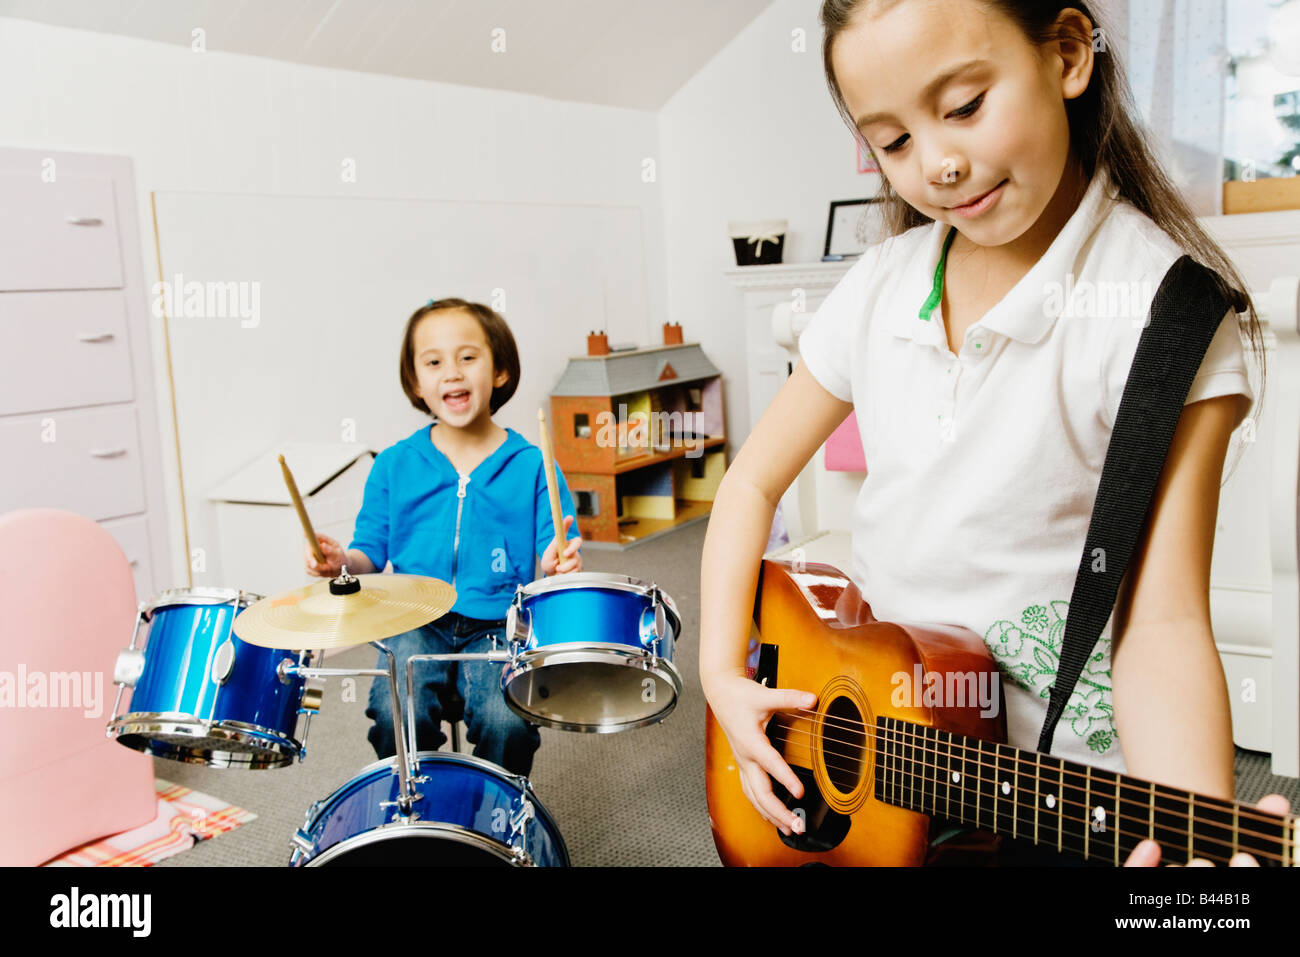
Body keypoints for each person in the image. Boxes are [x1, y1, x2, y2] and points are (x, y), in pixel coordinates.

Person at [700, 0, 1290, 866]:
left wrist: (1194, 840)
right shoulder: (879, 285)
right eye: (893, 142)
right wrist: (722, 675)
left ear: (1068, 52)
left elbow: (1161, 623)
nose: (936, 165)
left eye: (966, 106)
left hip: (1054, 799)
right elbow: (750, 483)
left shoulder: (1169, 322)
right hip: (877, 757)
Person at [305, 297, 582, 777]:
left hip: (499, 621)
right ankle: (420, 812)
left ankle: (497, 815)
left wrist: (557, 562)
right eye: (433, 362)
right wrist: (341, 563)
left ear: (499, 371)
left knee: (507, 722)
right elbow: (369, 552)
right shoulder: (394, 464)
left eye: (468, 357)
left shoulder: (534, 465)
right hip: (414, 617)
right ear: (416, 381)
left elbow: (554, 547)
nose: (451, 372)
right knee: (395, 715)